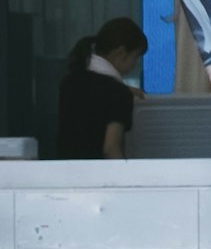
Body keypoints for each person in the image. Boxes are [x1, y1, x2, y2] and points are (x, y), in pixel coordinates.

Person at [51, 17, 145, 162]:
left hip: (65, 175)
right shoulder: (118, 94)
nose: (134, 64)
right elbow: (110, 149)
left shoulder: (69, 82)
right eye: (135, 57)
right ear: (121, 53)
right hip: (97, 177)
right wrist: (126, 179)